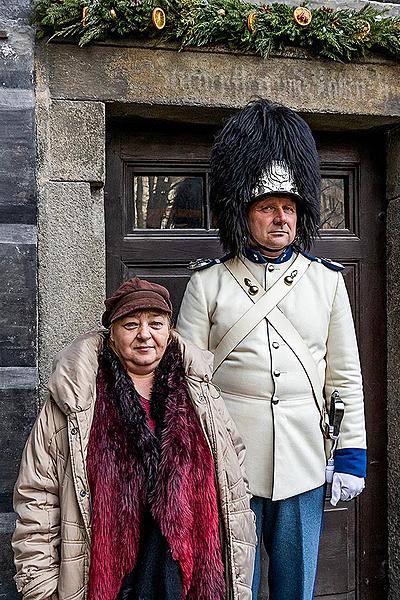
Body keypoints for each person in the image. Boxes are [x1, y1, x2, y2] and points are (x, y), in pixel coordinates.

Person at [176, 99, 367, 600]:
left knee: (295, 589)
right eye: (267, 207)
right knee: (234, 586)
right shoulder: (208, 284)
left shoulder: (326, 283)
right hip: (230, 459)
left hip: (305, 458)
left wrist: (350, 454)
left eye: (288, 207)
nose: (280, 217)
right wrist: (191, 455)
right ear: (246, 213)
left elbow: (344, 376)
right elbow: (186, 381)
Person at [12, 277, 256, 600]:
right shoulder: (76, 399)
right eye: (131, 325)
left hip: (187, 579)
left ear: (169, 331)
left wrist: (238, 570)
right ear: (111, 334)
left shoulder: (200, 392)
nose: (145, 334)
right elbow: (37, 497)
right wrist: (41, 590)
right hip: (109, 582)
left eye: (155, 323)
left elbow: (234, 479)